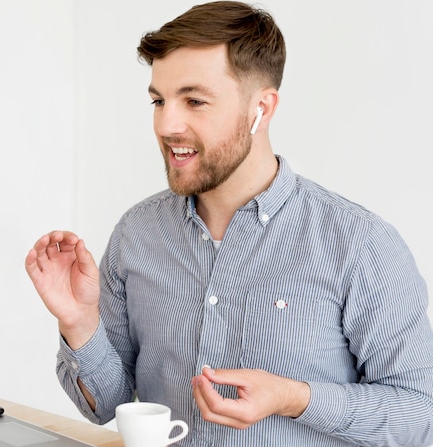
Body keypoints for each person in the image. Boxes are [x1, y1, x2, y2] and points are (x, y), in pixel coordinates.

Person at [25, 1, 433, 445]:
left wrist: (294, 397)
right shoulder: (137, 234)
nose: (166, 123)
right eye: (159, 100)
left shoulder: (360, 244)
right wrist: (80, 322)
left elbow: (421, 414)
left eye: (194, 100)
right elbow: (106, 404)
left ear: (262, 108)